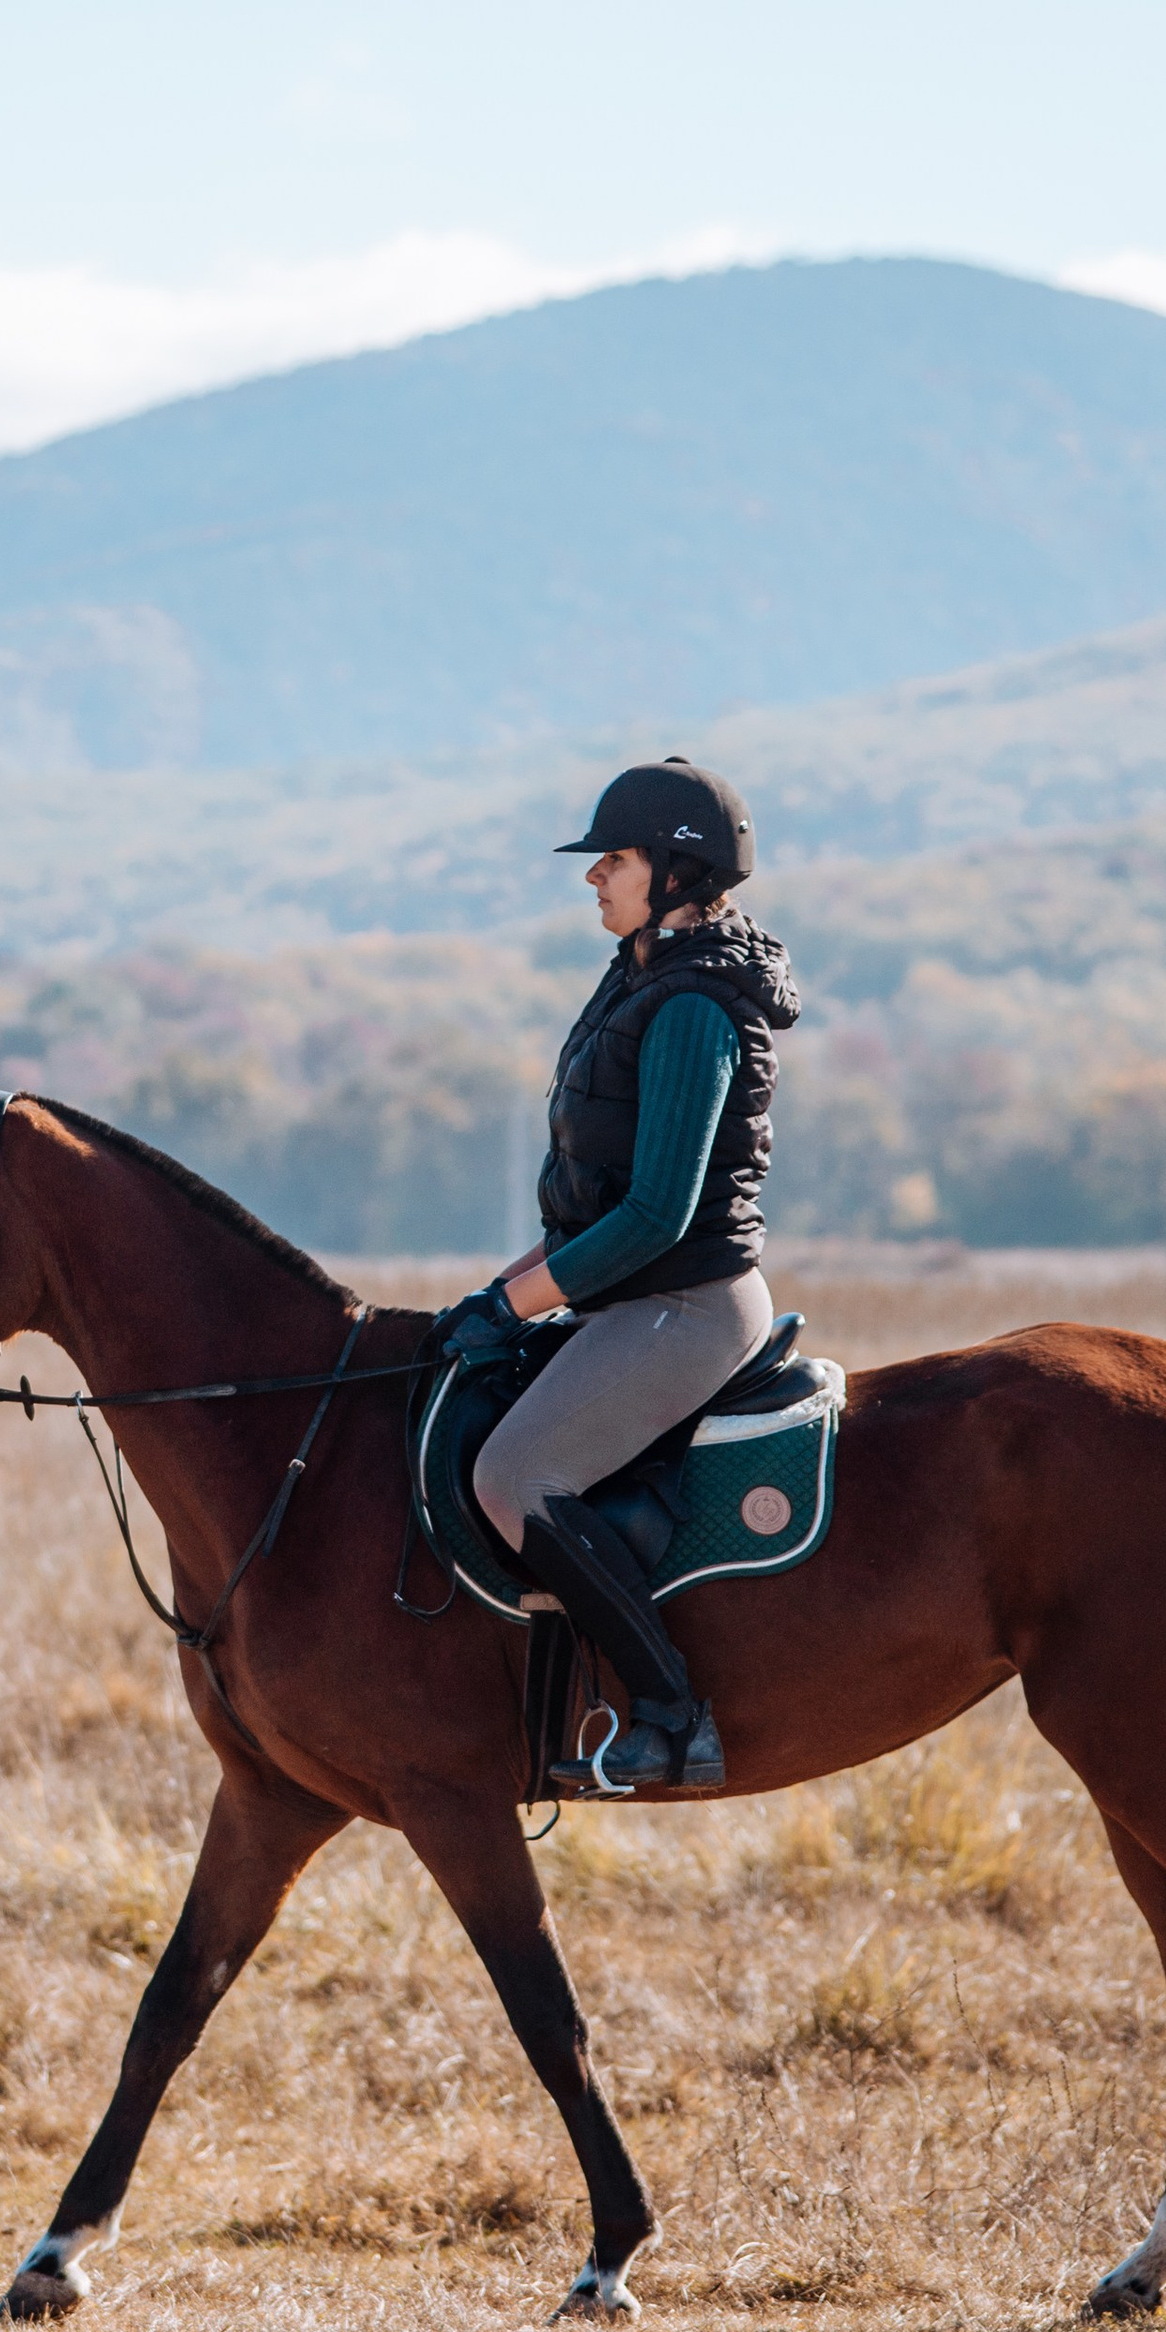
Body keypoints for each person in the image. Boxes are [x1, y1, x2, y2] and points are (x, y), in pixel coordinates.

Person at [433, 758, 800, 1796]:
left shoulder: (689, 1007)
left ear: (677, 869)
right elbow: (592, 1207)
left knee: (514, 1481)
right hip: (628, 1294)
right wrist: (490, 1298)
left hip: (686, 1307)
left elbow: (654, 1218)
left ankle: (673, 1715)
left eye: (615, 858)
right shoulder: (640, 975)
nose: (593, 876)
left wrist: (513, 1304)